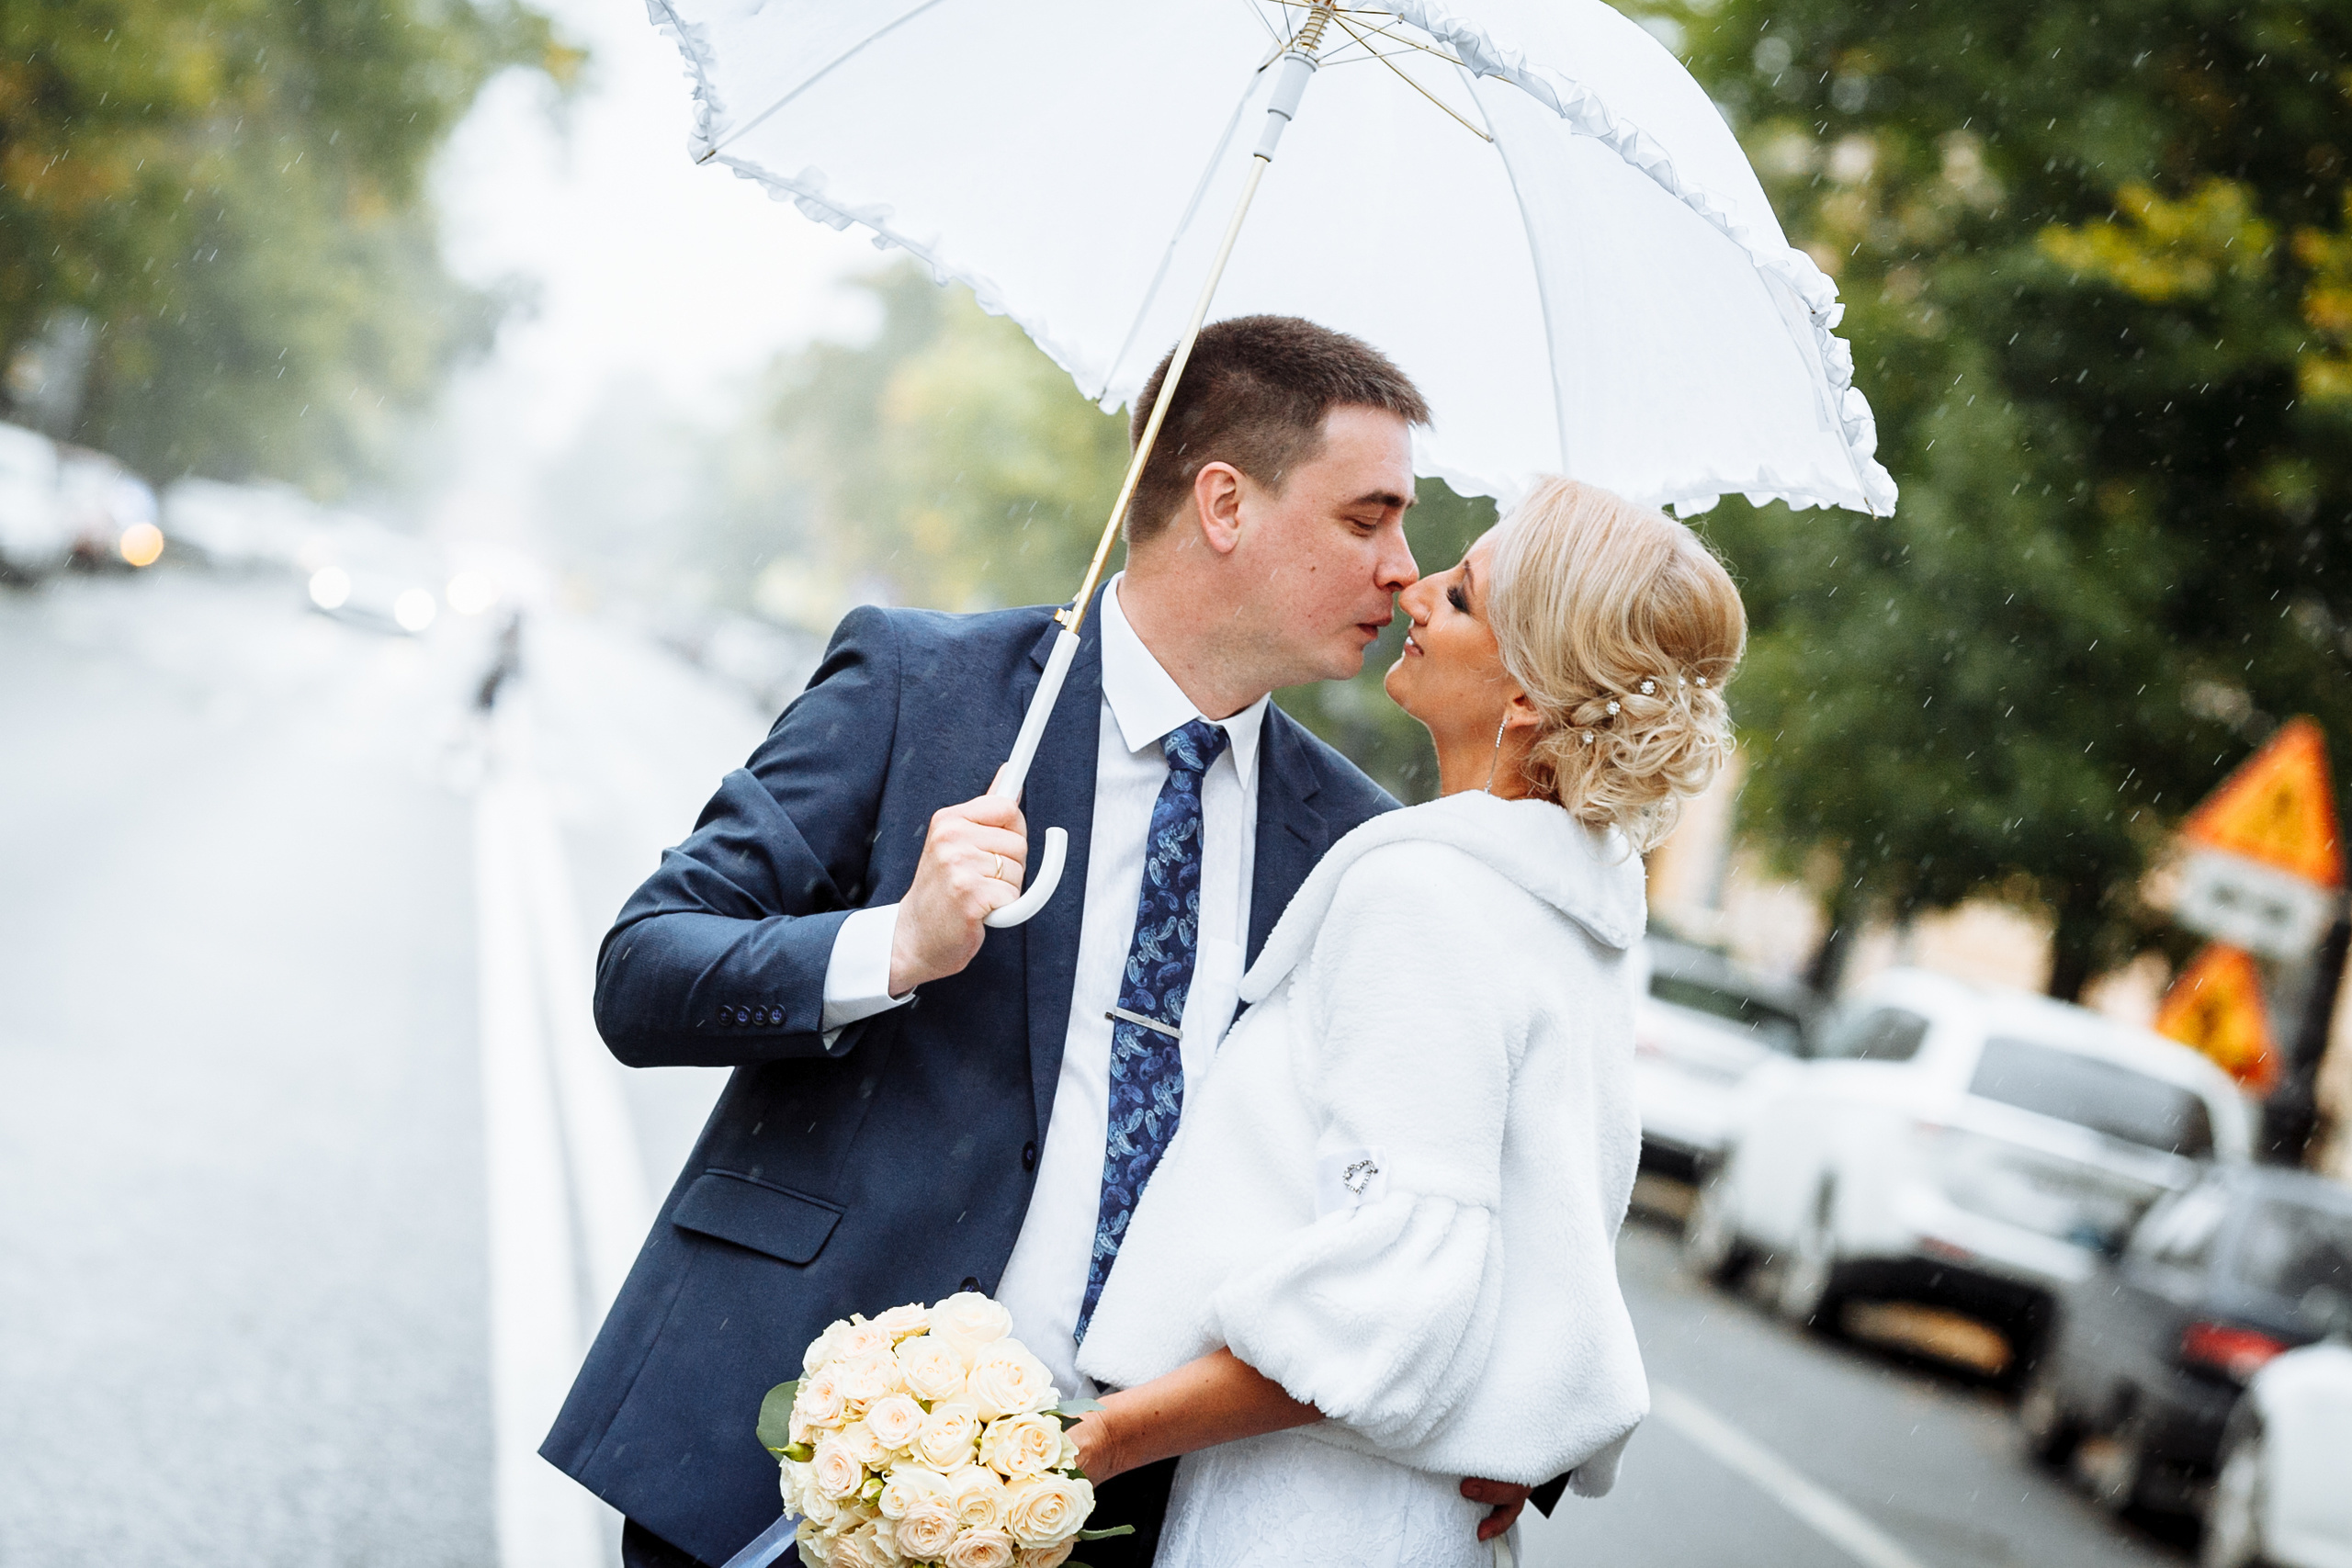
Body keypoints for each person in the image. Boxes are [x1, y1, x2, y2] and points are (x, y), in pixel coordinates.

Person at [541, 316, 1532, 1566]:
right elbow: (643, 970)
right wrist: (892, 944)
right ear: (1224, 501)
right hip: (810, 1451)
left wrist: (1518, 1402)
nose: (1403, 566)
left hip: (1117, 1507)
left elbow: (1423, 1169)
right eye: (1366, 516)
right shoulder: (923, 686)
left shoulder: (1356, 843)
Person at [1070, 477, 1749, 1566]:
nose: (1417, 590)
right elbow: (1528, 1247)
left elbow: (1390, 1306)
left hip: (1307, 1511)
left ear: (1527, 696)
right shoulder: (1574, 913)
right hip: (1411, 1512)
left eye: (1466, 598)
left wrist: (1097, 1441)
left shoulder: (1432, 896)